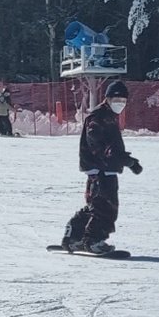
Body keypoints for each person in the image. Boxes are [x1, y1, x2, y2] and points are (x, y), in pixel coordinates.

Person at [60, 80, 142, 254]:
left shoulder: (109, 116)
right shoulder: (98, 116)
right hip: (99, 169)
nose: (120, 104)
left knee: (96, 205)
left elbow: (111, 146)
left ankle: (74, 235)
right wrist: (123, 160)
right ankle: (93, 240)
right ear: (108, 98)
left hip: (106, 168)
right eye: (116, 99)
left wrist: (128, 161)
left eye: (123, 101)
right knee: (105, 207)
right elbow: (98, 144)